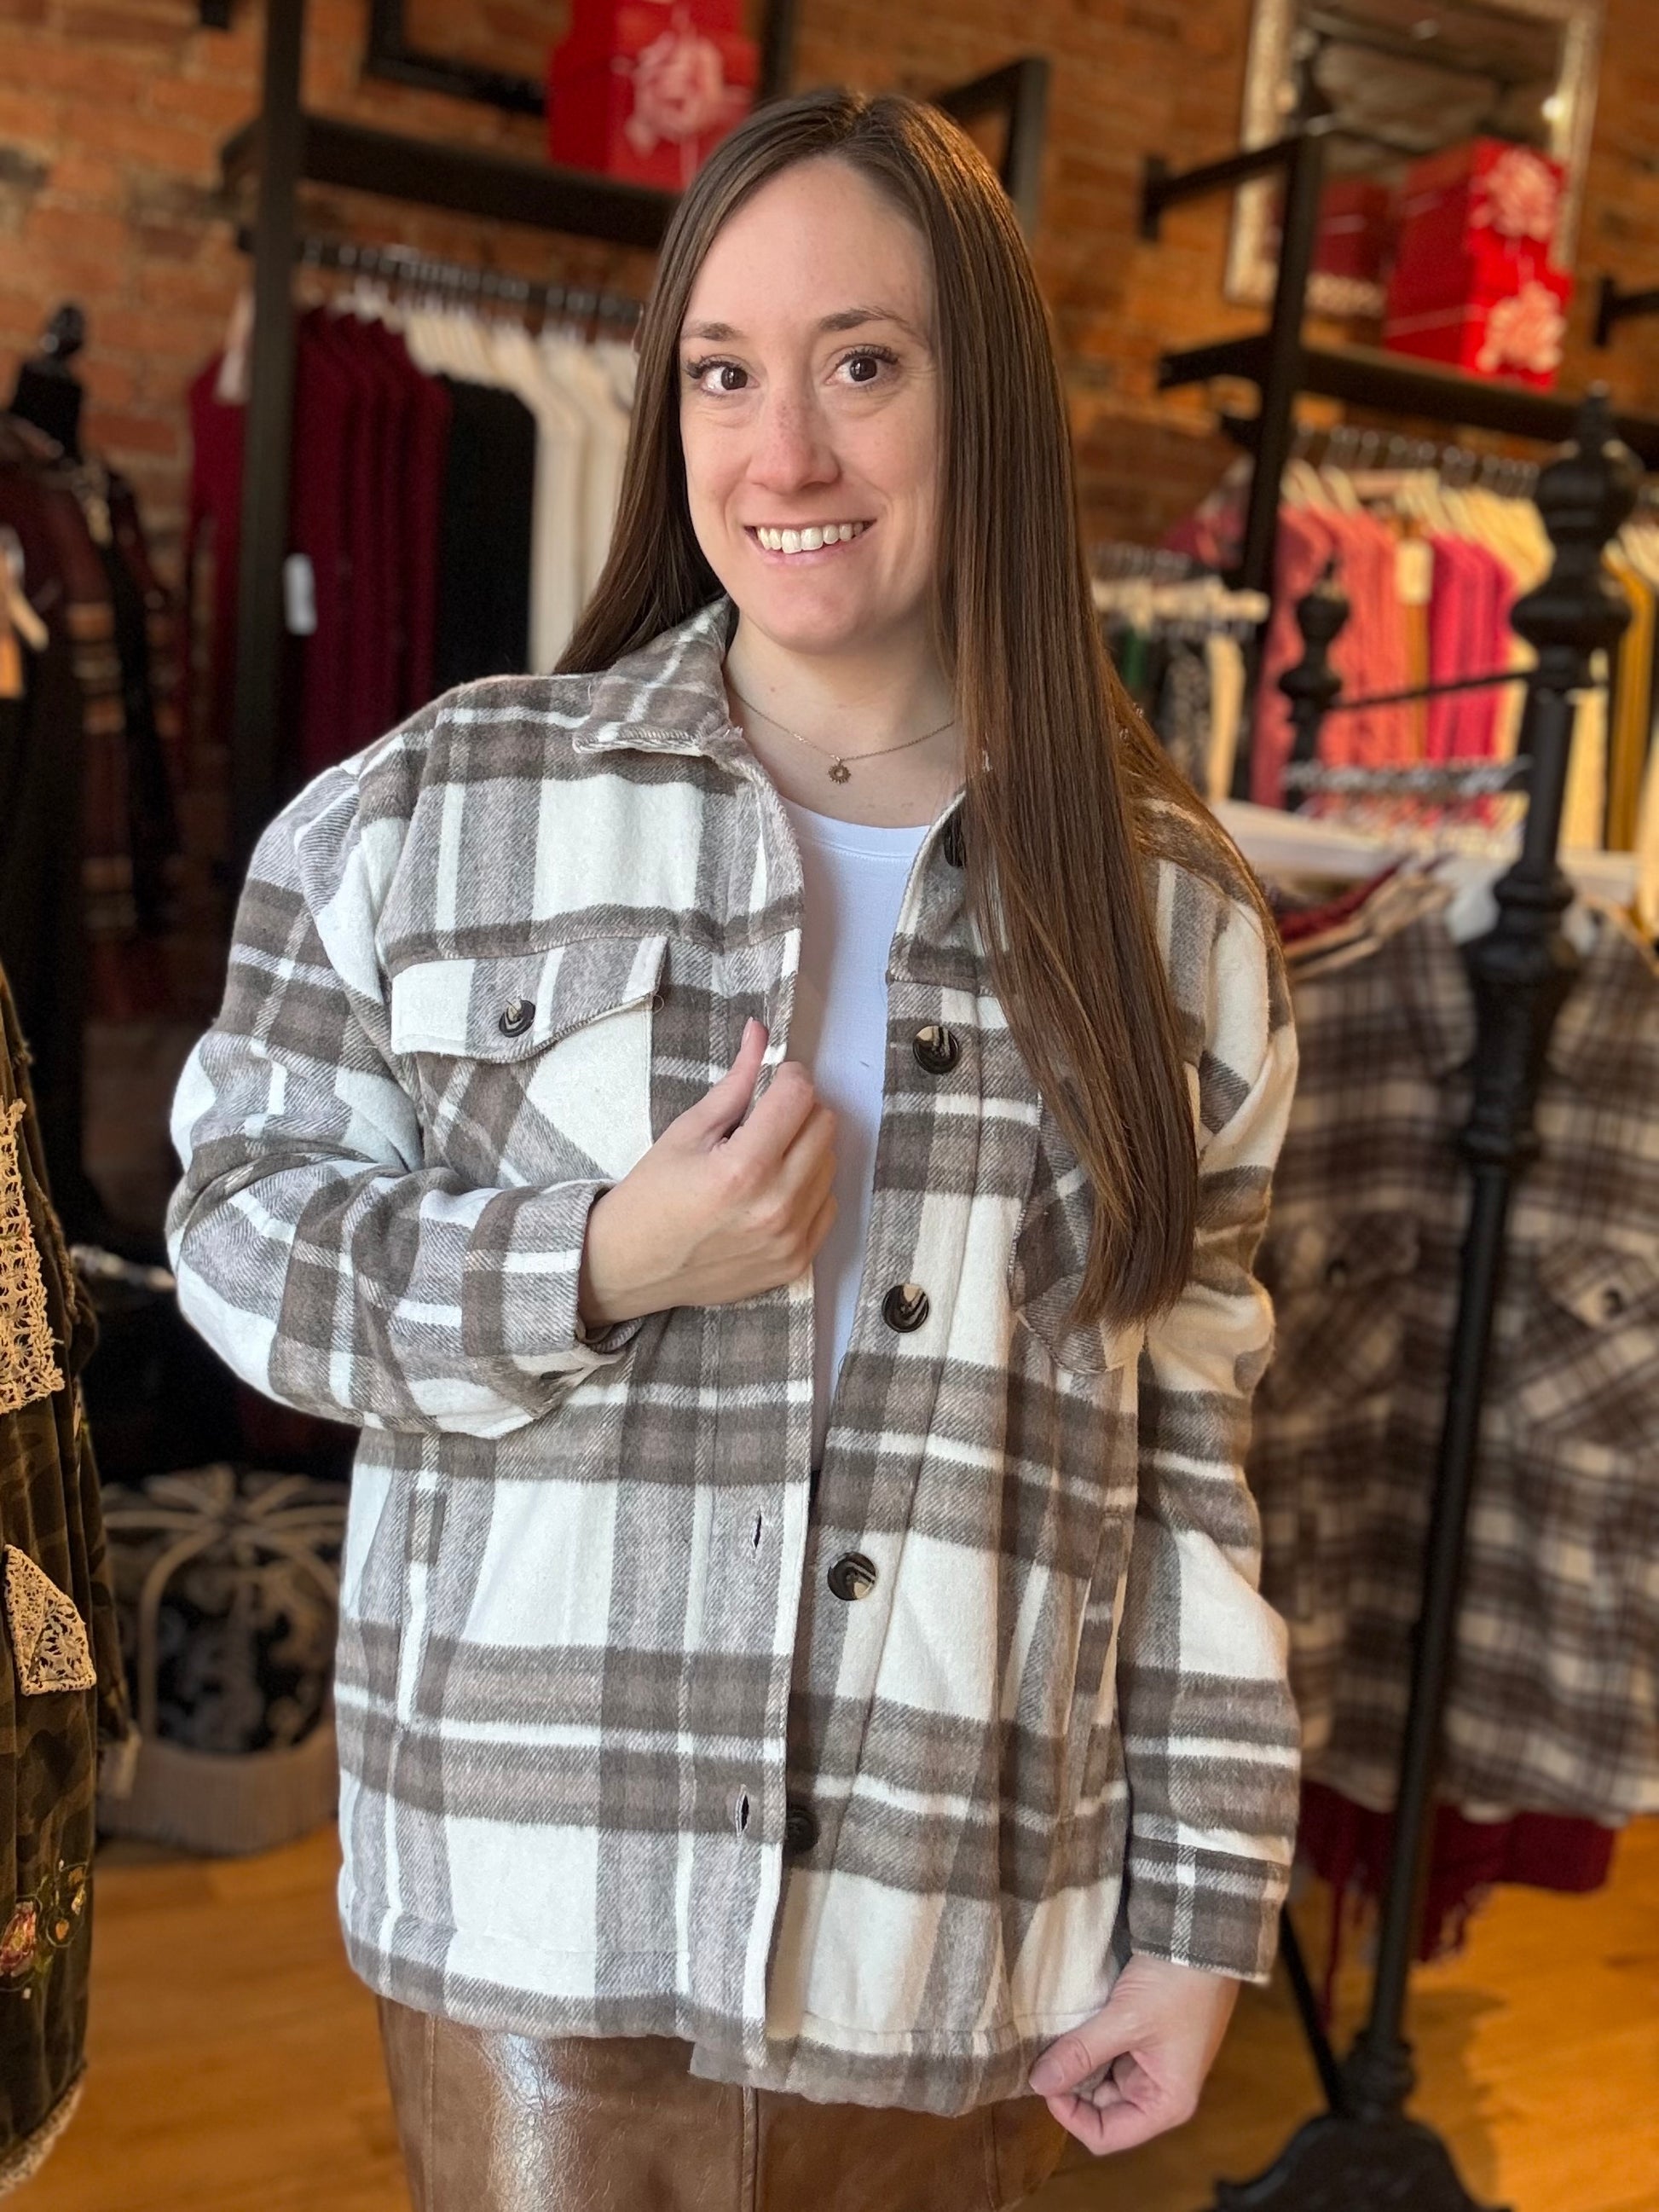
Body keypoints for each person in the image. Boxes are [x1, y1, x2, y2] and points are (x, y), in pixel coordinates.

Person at [166, 85, 1301, 2212]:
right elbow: (239, 1236)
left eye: (861, 365)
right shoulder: (442, 812)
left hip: (953, 1936)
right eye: (721, 373)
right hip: (544, 1920)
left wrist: (1203, 1909)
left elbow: (1196, 1454)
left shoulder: (1174, 924)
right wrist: (595, 1258)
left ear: (988, 403)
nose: (781, 456)